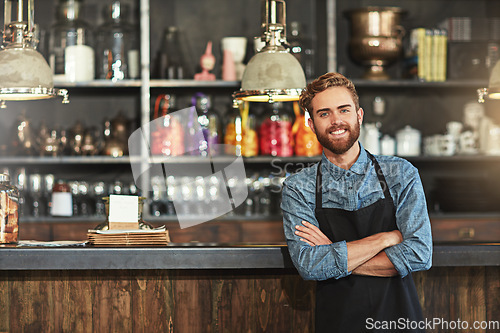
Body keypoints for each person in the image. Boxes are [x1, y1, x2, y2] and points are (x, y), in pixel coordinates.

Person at [281, 72, 433, 332]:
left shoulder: (401, 173)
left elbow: (420, 254)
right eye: (324, 113)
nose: (336, 121)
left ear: (359, 115)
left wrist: (333, 254)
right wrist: (386, 238)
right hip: (339, 322)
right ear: (310, 123)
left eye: (344, 110)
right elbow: (309, 265)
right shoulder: (298, 187)